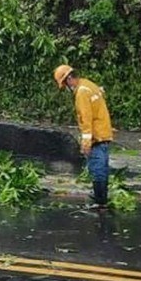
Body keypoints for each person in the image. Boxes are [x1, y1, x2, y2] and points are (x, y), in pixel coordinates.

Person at [53, 64, 113, 208]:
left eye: (65, 84)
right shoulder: (88, 84)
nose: (67, 88)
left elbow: (86, 119)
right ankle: (101, 197)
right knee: (102, 167)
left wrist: (85, 144)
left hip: (96, 137)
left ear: (68, 79)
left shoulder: (81, 93)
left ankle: (100, 202)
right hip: (104, 133)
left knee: (97, 169)